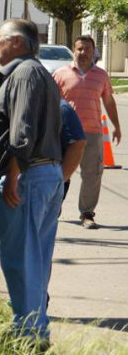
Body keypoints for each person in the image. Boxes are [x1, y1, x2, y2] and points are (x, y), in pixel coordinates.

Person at [0, 19, 63, 345]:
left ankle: (28, 337)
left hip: (28, 177)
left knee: (20, 261)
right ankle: (35, 333)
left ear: (17, 42)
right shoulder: (36, 73)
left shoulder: (25, 74)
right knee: (36, 262)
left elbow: (22, 131)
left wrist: (13, 174)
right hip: (43, 174)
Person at [0, 100, 86, 285]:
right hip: (6, 178)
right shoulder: (19, 102)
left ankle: (37, 301)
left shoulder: (60, 108)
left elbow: (78, 143)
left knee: (32, 242)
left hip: (43, 183)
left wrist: (60, 180)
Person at [52, 35, 121, 229]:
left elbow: (108, 101)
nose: (83, 53)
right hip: (65, 134)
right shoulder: (60, 74)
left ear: (93, 52)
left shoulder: (101, 75)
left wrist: (117, 126)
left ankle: (87, 213)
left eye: (87, 49)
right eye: (80, 49)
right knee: (60, 172)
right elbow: (51, 103)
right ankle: (53, 207)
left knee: (93, 174)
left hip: (92, 132)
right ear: (74, 51)